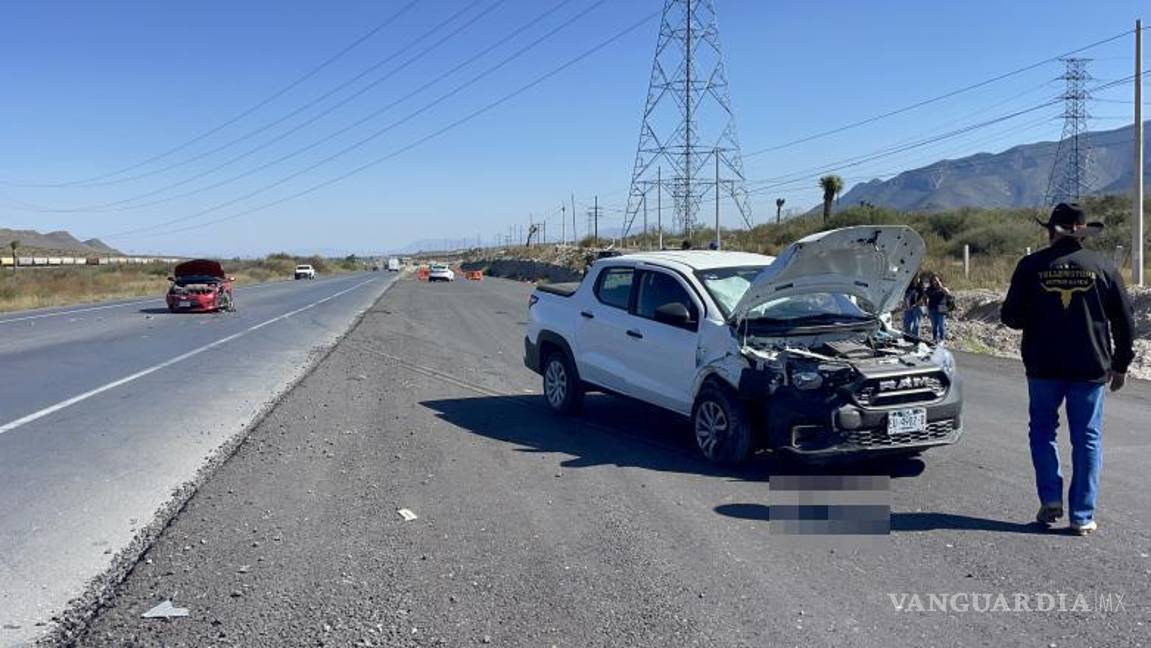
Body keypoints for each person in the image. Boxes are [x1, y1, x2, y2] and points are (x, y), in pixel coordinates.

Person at [1001, 203, 1135, 536]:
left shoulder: (1031, 266)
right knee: (1087, 438)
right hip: (1089, 366)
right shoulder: (1102, 267)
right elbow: (1124, 320)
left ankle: (1050, 498)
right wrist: (1121, 364)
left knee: (1042, 431)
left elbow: (1010, 317)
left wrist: (1039, 314)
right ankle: (1082, 515)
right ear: (1083, 232)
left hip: (1043, 365)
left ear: (1051, 231)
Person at [925, 274, 953, 343]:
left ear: (939, 280)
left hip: (941, 308)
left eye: (936, 280)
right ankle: (934, 339)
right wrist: (926, 306)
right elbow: (925, 296)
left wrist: (941, 286)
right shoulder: (930, 289)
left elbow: (948, 293)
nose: (935, 281)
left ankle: (941, 339)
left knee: (941, 325)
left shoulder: (943, 288)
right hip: (932, 308)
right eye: (933, 280)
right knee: (934, 326)